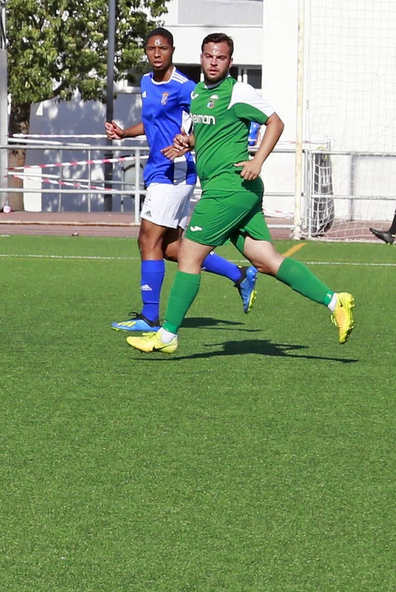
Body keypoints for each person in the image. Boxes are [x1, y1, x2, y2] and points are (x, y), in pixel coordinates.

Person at [128, 33, 353, 354]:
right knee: (267, 261)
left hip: (228, 188)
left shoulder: (238, 91)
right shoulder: (198, 94)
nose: (214, 62)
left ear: (230, 62)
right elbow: (204, 134)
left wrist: (257, 160)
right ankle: (335, 302)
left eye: (220, 57)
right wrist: (185, 144)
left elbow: (275, 122)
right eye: (209, 56)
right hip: (234, 192)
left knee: (189, 256)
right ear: (201, 57)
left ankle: (166, 335)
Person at [106, 28, 257, 333]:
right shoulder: (147, 83)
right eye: (151, 48)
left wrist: (191, 141)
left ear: (172, 50)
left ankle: (150, 318)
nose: (157, 53)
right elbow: (152, 124)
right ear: (146, 52)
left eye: (162, 48)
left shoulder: (185, 87)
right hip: (157, 169)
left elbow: (212, 116)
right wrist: (124, 132)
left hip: (175, 170)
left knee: (147, 239)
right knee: (171, 247)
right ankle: (240, 275)